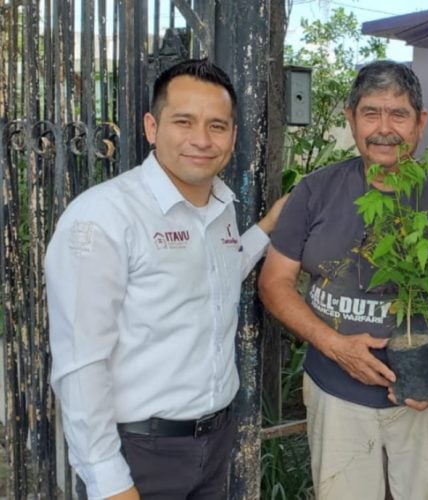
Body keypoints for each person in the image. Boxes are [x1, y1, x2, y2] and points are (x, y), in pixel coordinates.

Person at [258, 60, 428, 500]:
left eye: (398, 114)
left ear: (421, 122)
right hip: (335, 392)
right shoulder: (315, 192)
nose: (384, 128)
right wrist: (333, 344)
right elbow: (274, 281)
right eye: (371, 113)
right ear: (350, 118)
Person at [46, 58, 286, 500]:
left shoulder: (221, 207)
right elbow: (80, 363)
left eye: (217, 125)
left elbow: (217, 275)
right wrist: (108, 480)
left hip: (213, 445)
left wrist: (266, 229)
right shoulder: (104, 216)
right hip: (140, 453)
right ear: (152, 127)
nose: (201, 139)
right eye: (184, 121)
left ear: (232, 136)